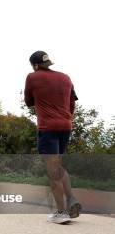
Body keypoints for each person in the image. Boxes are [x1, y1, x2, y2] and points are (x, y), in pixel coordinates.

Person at [24, 51, 81, 224]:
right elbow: (72, 104)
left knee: (52, 171)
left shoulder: (32, 77)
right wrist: (64, 118)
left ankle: (62, 212)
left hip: (48, 128)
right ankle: (71, 199)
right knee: (58, 166)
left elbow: (28, 102)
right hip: (66, 126)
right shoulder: (66, 78)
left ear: (34, 65)